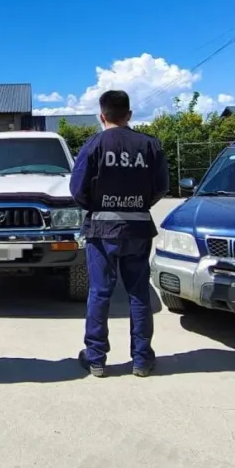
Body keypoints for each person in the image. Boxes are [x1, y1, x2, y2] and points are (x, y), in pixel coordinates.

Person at [69, 90, 170, 378]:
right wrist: (139, 204)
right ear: (129, 114)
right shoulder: (150, 145)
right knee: (138, 293)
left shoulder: (94, 145)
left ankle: (96, 359)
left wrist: (97, 206)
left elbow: (77, 190)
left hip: (102, 230)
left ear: (102, 116)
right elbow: (162, 186)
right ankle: (141, 359)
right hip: (138, 228)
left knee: (100, 292)